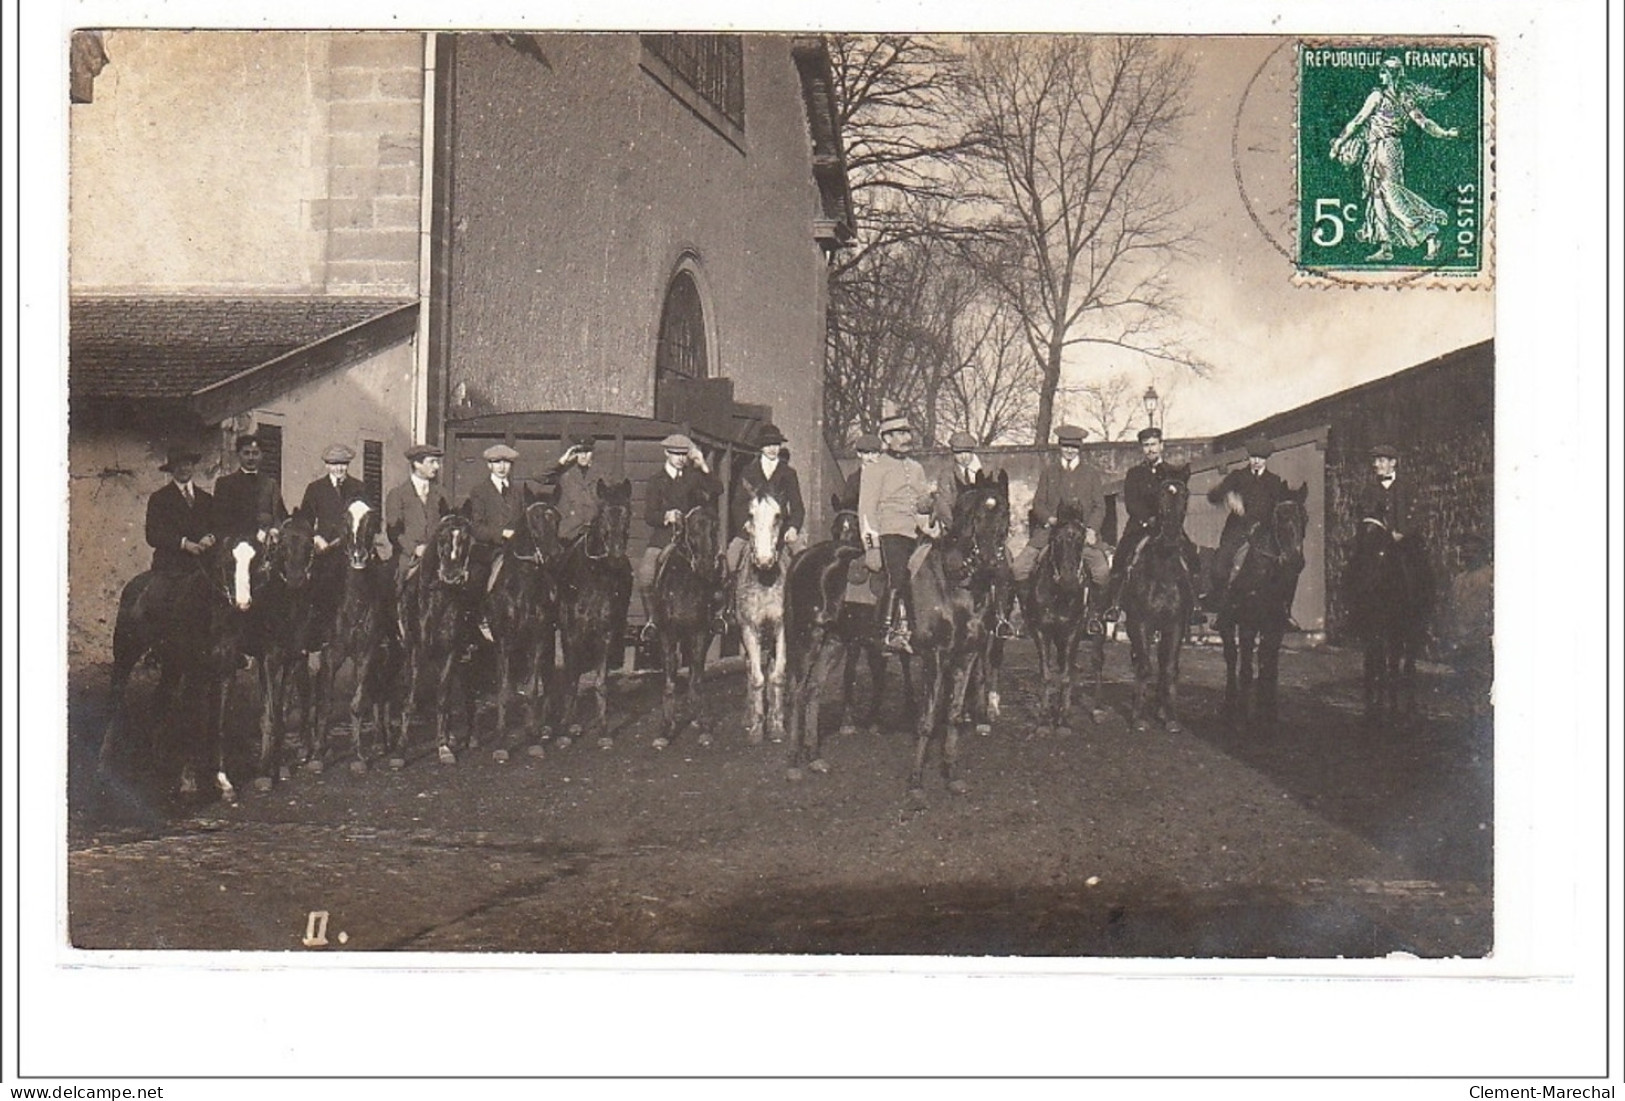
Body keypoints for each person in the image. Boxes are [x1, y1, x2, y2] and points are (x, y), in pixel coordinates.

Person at [1329, 57, 1460, 263]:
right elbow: (1424, 123)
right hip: (1383, 148)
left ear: (1390, 74)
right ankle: (1386, 246)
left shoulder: (1378, 96)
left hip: (1386, 148)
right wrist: (1445, 133)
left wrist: (1338, 143)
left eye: (1383, 72)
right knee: (1377, 195)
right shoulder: (1403, 97)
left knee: (1390, 193)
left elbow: (1357, 121)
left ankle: (1429, 232)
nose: (1380, 76)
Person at [1011, 425, 1111, 632]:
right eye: (1066, 447)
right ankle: (1029, 616)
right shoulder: (1049, 473)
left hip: (1081, 534)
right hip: (1052, 533)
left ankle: (1094, 617)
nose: (1069, 451)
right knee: (1019, 568)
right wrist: (1049, 518)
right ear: (1060, 447)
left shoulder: (1091, 474)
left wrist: (1092, 529)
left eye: (1074, 447)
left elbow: (1099, 506)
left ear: (1080, 449)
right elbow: (1038, 503)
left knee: (1101, 572)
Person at [1102, 425, 1197, 621]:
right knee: (1121, 557)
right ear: (1141, 448)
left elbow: (1179, 501)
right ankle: (1114, 604)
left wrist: (1170, 521)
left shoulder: (1173, 472)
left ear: (1161, 446)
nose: (1150, 449)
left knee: (1191, 556)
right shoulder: (1134, 473)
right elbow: (1132, 503)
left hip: (1169, 528)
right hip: (1141, 527)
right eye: (1146, 445)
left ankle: (1195, 604)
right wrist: (1148, 519)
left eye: (1154, 444)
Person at [857, 414, 934, 653]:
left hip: (917, 532)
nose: (906, 438)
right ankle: (889, 632)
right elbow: (866, 509)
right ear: (887, 438)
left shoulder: (916, 468)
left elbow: (922, 504)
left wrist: (929, 503)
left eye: (907, 433)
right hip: (890, 532)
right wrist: (872, 546)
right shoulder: (875, 468)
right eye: (900, 434)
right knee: (898, 576)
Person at [931, 430, 1017, 637]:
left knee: (1005, 567)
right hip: (959, 534)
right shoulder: (947, 475)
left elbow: (1001, 503)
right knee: (946, 565)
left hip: (987, 533)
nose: (963, 457)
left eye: (967, 452)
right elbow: (944, 504)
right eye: (959, 453)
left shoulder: (991, 470)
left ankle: (1002, 618)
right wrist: (958, 529)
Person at [721, 424, 805, 628]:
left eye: (775, 445)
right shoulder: (748, 471)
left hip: (780, 529)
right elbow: (738, 504)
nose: (772, 449)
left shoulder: (788, 473)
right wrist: (746, 525)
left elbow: (797, 506)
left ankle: (801, 611)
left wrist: (793, 527)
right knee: (731, 558)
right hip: (753, 529)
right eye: (768, 445)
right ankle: (727, 609)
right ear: (761, 447)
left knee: (803, 559)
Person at [638, 433, 721, 638]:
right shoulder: (656, 481)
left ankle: (717, 615)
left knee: (718, 566)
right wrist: (666, 516)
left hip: (693, 539)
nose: (681, 458)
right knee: (646, 574)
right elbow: (649, 515)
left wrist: (702, 465)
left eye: (684, 454)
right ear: (666, 453)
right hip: (664, 537)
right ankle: (651, 620)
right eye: (676, 454)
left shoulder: (693, 478)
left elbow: (717, 489)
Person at [1205, 436, 1289, 621]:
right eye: (1253, 457)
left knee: (1284, 567)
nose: (1256, 461)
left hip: (1263, 534)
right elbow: (1213, 495)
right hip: (1237, 534)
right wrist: (1228, 495)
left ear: (1266, 459)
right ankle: (1220, 604)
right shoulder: (1237, 476)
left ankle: (1284, 611)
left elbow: (1277, 510)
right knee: (1219, 567)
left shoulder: (1274, 481)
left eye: (1261, 458)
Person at [135, 445, 217, 625]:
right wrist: (184, 544)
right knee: (156, 606)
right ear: (172, 469)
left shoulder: (206, 499)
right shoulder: (159, 498)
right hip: (171, 567)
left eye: (187, 464)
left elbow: (216, 527)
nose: (183, 469)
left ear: (193, 467)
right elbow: (153, 534)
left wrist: (209, 538)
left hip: (203, 566)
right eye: (178, 465)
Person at [298, 444, 367, 641]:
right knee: (317, 588)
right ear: (327, 465)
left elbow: (368, 517)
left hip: (351, 547)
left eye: (343, 464)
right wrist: (316, 538)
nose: (339, 469)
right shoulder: (315, 489)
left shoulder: (358, 487)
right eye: (334, 464)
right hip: (325, 550)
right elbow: (305, 520)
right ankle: (316, 636)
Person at [384, 444, 452, 637]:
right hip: (408, 558)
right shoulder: (397, 495)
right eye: (432, 462)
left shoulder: (442, 494)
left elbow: (447, 525)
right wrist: (414, 549)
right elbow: (393, 531)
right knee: (393, 589)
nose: (437, 467)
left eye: (437, 462)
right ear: (416, 464)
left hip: (438, 557)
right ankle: (395, 632)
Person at [211, 433, 286, 546]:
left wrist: (274, 530)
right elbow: (219, 520)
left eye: (255, 453)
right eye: (246, 453)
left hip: (266, 546)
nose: (251, 458)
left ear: (262, 455)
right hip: (236, 546)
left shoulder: (270, 484)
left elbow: (279, 515)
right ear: (238, 455)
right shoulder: (225, 484)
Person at [540, 434, 599, 545]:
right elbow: (538, 476)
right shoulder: (564, 474)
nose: (583, 456)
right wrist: (561, 461)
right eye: (579, 452)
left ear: (593, 453)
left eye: (587, 452)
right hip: (568, 535)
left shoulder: (601, 475)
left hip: (593, 536)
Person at [837, 433, 882, 513]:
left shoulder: (886, 477)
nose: (870, 457)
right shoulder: (853, 479)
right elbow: (848, 508)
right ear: (859, 454)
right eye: (866, 453)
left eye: (874, 453)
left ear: (879, 454)